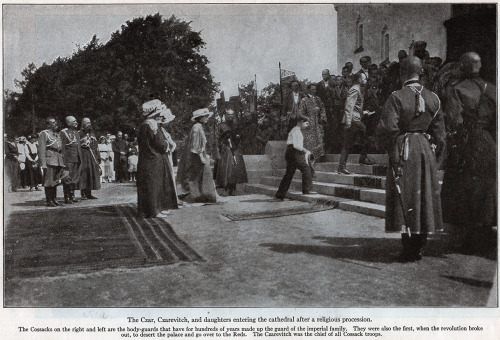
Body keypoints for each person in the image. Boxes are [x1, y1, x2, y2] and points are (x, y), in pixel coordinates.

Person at [376, 56, 446, 262]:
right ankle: (420, 244)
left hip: (404, 148)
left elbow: (389, 128)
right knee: (423, 195)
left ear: (402, 74)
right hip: (425, 149)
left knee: (404, 196)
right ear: (420, 72)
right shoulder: (434, 98)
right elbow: (441, 134)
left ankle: (408, 247)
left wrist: (388, 148)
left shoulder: (396, 97)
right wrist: (437, 159)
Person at [441, 52, 497, 254]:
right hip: (490, 143)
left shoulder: (457, 89)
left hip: (468, 143)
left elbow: (454, 121)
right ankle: (484, 236)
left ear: (463, 67)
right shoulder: (493, 89)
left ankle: (469, 239)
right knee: (487, 189)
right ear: (479, 66)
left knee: (464, 190)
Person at [137, 100, 178, 218]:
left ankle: (157, 208)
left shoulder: (146, 125)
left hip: (149, 158)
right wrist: (167, 144)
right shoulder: (151, 125)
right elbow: (159, 143)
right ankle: (153, 211)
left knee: (155, 184)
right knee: (153, 185)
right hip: (152, 159)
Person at [176, 108, 217, 203]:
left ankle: (202, 196)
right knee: (195, 175)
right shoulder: (196, 128)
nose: (207, 118)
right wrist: (201, 156)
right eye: (205, 116)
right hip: (196, 156)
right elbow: (195, 144)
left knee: (201, 175)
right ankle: (197, 196)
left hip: (198, 154)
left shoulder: (198, 127)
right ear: (201, 118)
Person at [338, 72, 374, 174]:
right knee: (350, 142)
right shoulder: (355, 89)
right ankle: (345, 165)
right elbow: (349, 106)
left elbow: (356, 107)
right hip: (353, 120)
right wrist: (348, 123)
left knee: (350, 143)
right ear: (359, 80)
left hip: (355, 118)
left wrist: (364, 112)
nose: (366, 80)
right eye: (364, 79)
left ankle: (359, 158)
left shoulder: (358, 89)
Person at [275, 115, 315, 200]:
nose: (307, 125)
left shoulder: (293, 130)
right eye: (306, 123)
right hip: (295, 153)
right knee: (306, 169)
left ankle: (280, 194)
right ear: (301, 122)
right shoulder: (297, 131)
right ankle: (307, 190)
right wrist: (305, 151)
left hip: (289, 152)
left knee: (289, 174)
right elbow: (297, 146)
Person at [215, 109, 248, 196]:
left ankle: (233, 188)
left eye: (232, 115)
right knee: (227, 168)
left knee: (236, 168)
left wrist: (238, 136)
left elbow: (241, 135)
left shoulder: (236, 126)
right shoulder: (221, 126)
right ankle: (225, 189)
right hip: (226, 149)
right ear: (225, 115)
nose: (230, 116)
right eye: (228, 115)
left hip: (235, 148)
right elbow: (217, 138)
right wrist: (222, 143)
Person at [38, 117, 65, 207]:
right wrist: (43, 164)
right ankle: (49, 200)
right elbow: (41, 149)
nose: (55, 124)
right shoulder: (44, 134)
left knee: (56, 181)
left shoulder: (56, 134)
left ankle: (54, 199)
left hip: (57, 160)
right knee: (49, 182)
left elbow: (60, 148)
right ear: (48, 125)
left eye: (55, 122)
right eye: (53, 123)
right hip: (49, 160)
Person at [299, 83, 327, 160]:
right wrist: (308, 119)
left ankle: (320, 155)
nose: (314, 91)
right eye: (312, 89)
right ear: (308, 90)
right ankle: (311, 156)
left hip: (318, 122)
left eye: (315, 89)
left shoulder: (318, 99)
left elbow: (323, 109)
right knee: (310, 140)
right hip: (309, 123)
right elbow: (301, 113)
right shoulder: (304, 100)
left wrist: (321, 115)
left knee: (319, 138)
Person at [60, 116, 82, 203]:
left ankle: (72, 196)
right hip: (68, 159)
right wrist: (63, 161)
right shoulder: (64, 132)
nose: (76, 122)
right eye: (74, 121)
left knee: (74, 178)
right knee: (67, 178)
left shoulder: (76, 132)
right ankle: (67, 197)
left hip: (76, 159)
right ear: (68, 123)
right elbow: (62, 147)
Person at [79, 118, 101, 199]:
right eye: (87, 123)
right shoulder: (79, 133)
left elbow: (96, 146)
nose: (89, 124)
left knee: (91, 174)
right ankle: (83, 193)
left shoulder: (92, 133)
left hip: (92, 156)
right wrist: (83, 143)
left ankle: (89, 193)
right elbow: (77, 144)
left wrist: (98, 157)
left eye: (90, 123)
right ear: (83, 124)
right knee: (84, 174)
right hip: (84, 156)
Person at [316, 69, 335, 153]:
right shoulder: (318, 85)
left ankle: (332, 148)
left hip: (332, 109)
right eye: (322, 74)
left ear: (329, 75)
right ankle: (324, 148)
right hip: (323, 110)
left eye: (325, 74)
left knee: (332, 128)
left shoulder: (333, 83)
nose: (324, 76)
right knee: (324, 128)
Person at [331, 75, 348, 153]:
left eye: (340, 80)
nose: (339, 81)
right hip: (336, 110)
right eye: (337, 80)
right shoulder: (333, 90)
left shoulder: (345, 89)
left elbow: (346, 99)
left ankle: (344, 146)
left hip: (343, 109)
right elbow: (332, 100)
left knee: (343, 127)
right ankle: (336, 146)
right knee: (336, 127)